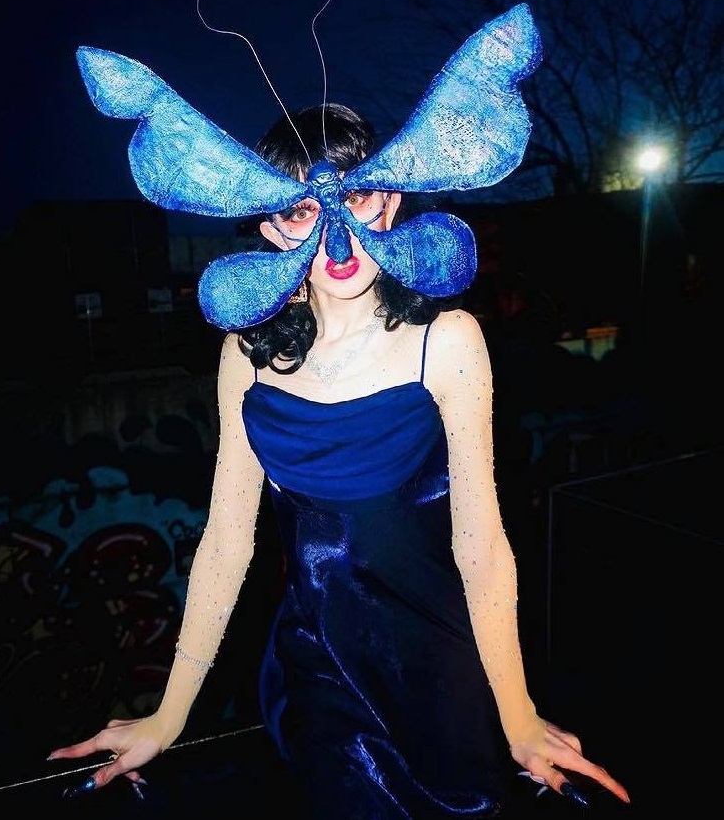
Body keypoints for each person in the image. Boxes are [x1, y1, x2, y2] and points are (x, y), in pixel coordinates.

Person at [48, 102, 630, 817]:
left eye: (352, 197)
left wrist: (517, 716)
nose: (332, 234)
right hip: (318, 663)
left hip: (440, 659)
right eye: (299, 211)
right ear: (269, 226)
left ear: (389, 200)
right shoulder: (246, 353)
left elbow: (480, 543)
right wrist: (168, 716)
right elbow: (227, 540)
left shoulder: (447, 339)